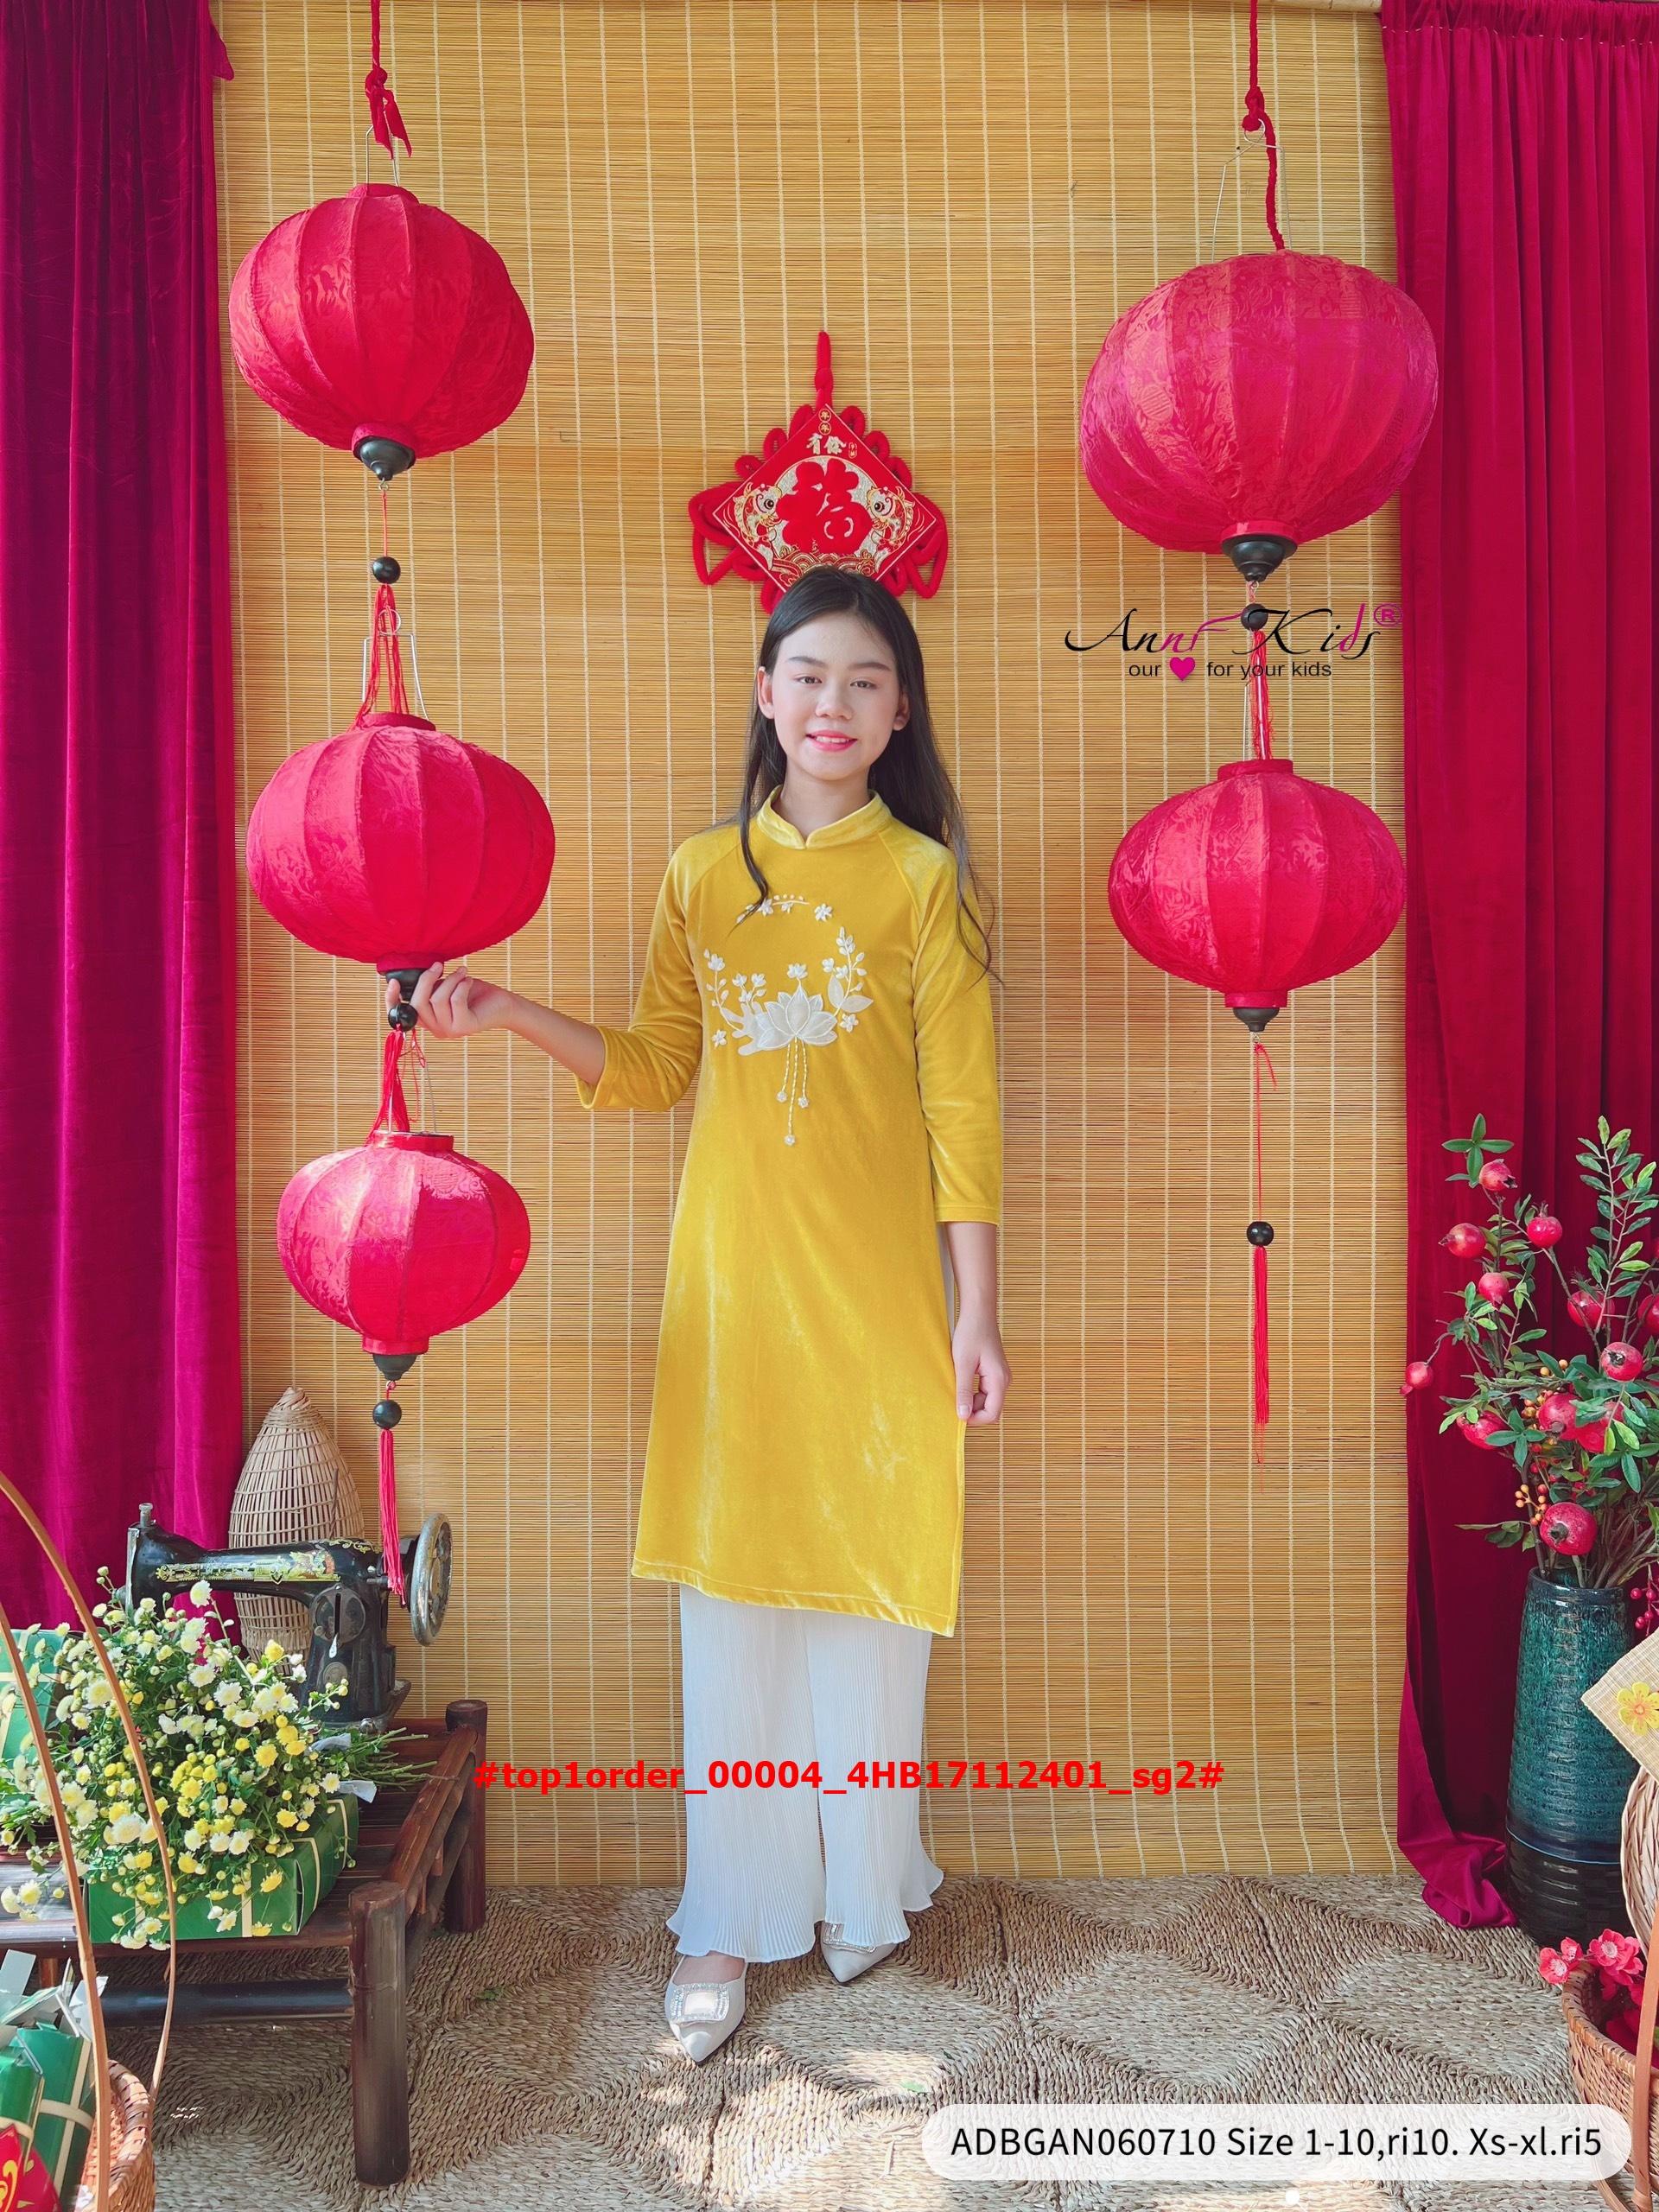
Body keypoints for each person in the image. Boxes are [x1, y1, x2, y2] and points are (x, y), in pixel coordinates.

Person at [392, 564, 1009, 2062]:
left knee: (868, 1589)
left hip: (880, 1296)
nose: (834, 704)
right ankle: (728, 1918)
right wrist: (508, 1014)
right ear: (765, 695)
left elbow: (963, 1115)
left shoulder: (922, 881)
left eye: (866, 681)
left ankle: (864, 1887)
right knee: (735, 1601)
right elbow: (657, 1068)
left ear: (901, 713)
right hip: (733, 1295)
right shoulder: (699, 877)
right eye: (809, 675)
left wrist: (974, 1315)